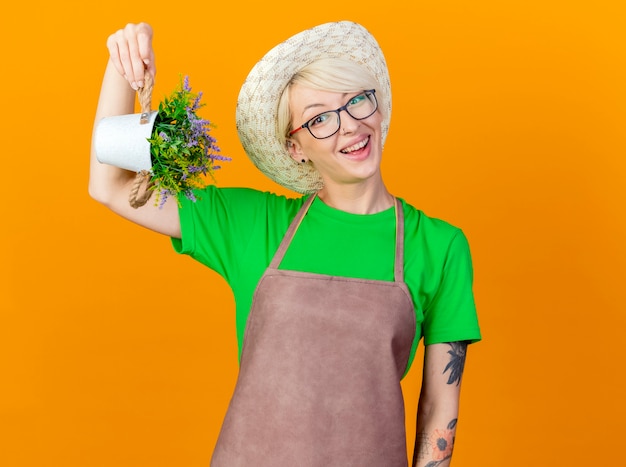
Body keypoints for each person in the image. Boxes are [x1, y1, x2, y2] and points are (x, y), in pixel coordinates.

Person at [90, 20, 481, 467]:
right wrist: (123, 65)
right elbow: (110, 186)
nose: (349, 126)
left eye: (356, 100)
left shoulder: (439, 245)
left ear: (377, 106)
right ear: (295, 148)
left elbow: (437, 412)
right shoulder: (254, 224)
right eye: (319, 118)